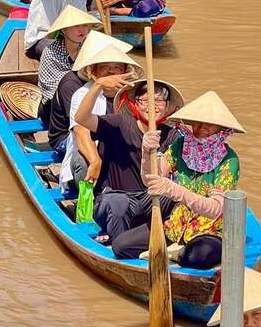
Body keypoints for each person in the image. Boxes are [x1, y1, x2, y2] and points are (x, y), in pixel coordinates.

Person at [112, 90, 244, 268]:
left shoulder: (229, 160)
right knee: (121, 246)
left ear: (222, 129)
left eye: (210, 124)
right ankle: (172, 250)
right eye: (197, 122)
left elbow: (214, 209)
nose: (201, 128)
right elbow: (151, 179)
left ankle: (176, 255)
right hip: (175, 227)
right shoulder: (180, 146)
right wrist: (146, 153)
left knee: (196, 257)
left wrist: (173, 189)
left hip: (209, 231)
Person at [74, 76, 181, 243]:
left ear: (167, 106)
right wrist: (98, 85)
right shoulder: (119, 123)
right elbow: (81, 118)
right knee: (119, 204)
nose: (152, 106)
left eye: (159, 101)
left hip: (147, 200)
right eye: (145, 100)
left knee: (173, 194)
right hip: (114, 198)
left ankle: (166, 239)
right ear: (136, 104)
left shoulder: (172, 135)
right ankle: (120, 248)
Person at [54, 41, 142, 186]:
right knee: (84, 164)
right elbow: (81, 132)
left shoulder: (132, 97)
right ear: (94, 72)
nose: (111, 72)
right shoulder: (83, 94)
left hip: (123, 149)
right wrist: (95, 161)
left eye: (117, 68)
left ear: (125, 72)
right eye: (104, 68)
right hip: (93, 150)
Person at [37, 4, 103, 109]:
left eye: (85, 25)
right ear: (64, 30)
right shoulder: (50, 52)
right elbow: (50, 89)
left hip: (85, 98)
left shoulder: (90, 47)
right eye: (76, 26)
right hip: (55, 105)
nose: (82, 30)